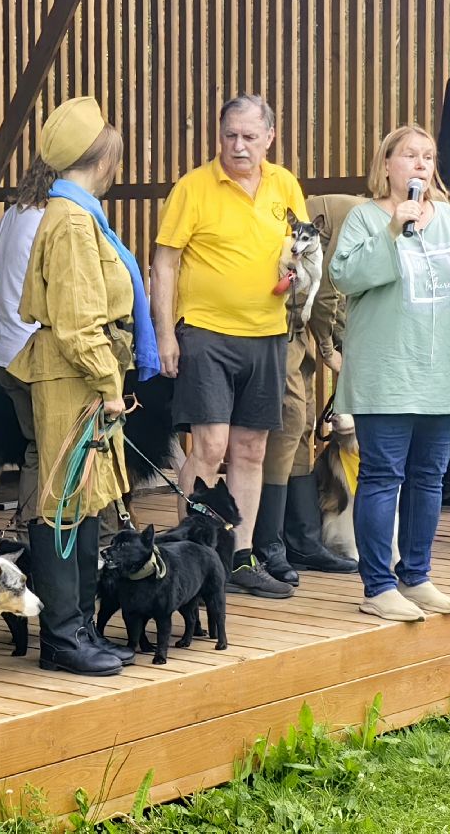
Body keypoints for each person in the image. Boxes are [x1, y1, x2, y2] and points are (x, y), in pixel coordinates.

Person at [329, 125, 450, 622]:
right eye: (409, 155)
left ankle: (416, 574)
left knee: (429, 478)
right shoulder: (365, 218)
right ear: (386, 163)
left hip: (441, 373)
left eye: (427, 157)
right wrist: (393, 230)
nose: (419, 165)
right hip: (387, 374)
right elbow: (343, 276)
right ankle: (378, 585)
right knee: (383, 475)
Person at [10, 96, 158, 674]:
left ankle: (81, 629)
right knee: (62, 500)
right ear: (105, 156)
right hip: (76, 374)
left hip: (87, 374)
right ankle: (63, 637)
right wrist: (108, 382)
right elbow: (77, 322)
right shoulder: (73, 221)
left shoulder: (79, 213)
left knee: (87, 495)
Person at [151, 93, 308, 598]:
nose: (237, 146)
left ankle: (238, 558)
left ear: (269, 137)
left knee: (251, 448)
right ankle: (188, 553)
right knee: (211, 446)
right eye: (229, 136)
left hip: (265, 332)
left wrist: (297, 271)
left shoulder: (284, 184)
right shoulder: (193, 187)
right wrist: (164, 335)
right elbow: (164, 263)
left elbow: (301, 247)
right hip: (206, 331)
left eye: (248, 136)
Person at [258, 194, 362, 577]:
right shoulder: (359, 218)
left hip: (299, 326)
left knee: (301, 426)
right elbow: (328, 293)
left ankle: (302, 540)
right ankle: (276, 543)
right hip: (286, 325)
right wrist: (331, 349)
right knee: (289, 425)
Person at [0, 158, 54, 521]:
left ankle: (28, 525)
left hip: (4, 352)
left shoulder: (13, 215)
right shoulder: (50, 220)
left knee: (36, 446)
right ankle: (37, 530)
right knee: (50, 448)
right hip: (34, 352)